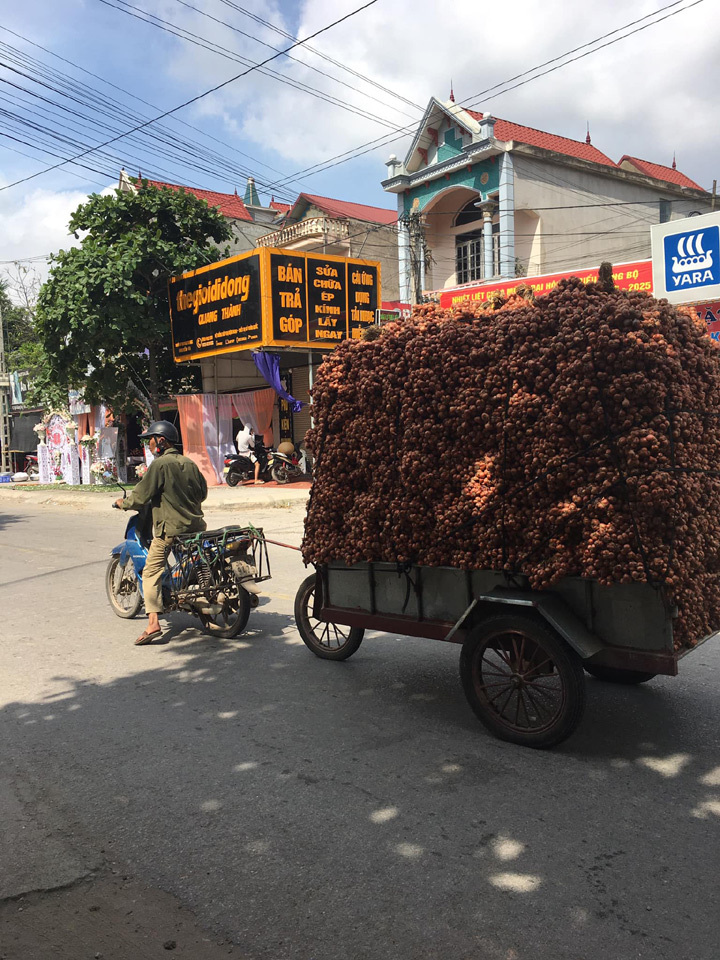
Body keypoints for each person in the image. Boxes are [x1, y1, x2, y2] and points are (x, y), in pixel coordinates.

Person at [114, 420, 207, 646]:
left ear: (161, 441)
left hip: (170, 530)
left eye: (151, 440)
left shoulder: (160, 465)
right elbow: (202, 493)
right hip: (195, 527)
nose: (149, 444)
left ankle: (153, 622)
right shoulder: (190, 464)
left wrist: (122, 503)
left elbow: (141, 496)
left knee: (151, 571)